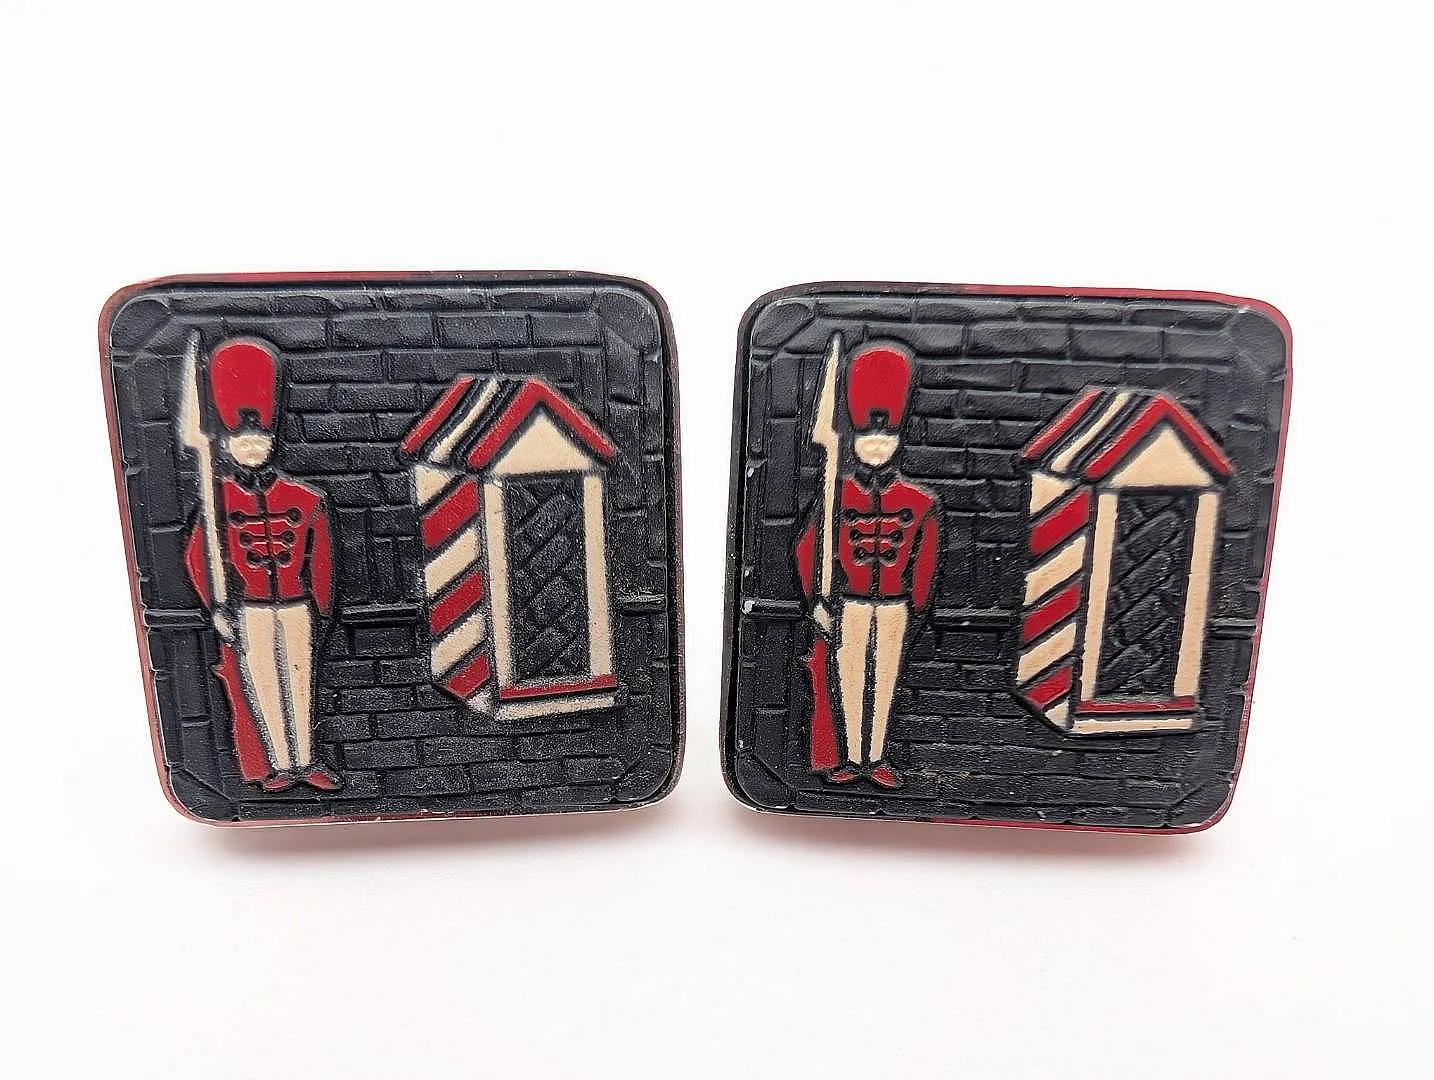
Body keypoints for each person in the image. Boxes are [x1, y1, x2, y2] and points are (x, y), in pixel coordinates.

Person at [183, 338, 341, 793]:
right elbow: (198, 559)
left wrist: (322, 608)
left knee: (300, 683)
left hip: (296, 604)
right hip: (249, 607)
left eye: (259, 440)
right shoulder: (217, 500)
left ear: (272, 441)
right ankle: (280, 764)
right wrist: (216, 607)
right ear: (229, 445)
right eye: (243, 441)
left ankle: (306, 760)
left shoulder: (305, 498)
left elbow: (322, 559)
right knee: (264, 684)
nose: (252, 449)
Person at [794, 343, 939, 789]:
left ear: (897, 442)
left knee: (886, 680)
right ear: (854, 441)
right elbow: (808, 548)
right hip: (850, 603)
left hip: (895, 605)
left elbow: (926, 559)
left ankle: (876, 757)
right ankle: (852, 756)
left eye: (886, 438)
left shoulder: (920, 501)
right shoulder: (836, 495)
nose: (877, 446)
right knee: (849, 678)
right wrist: (816, 601)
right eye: (868, 438)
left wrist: (917, 606)